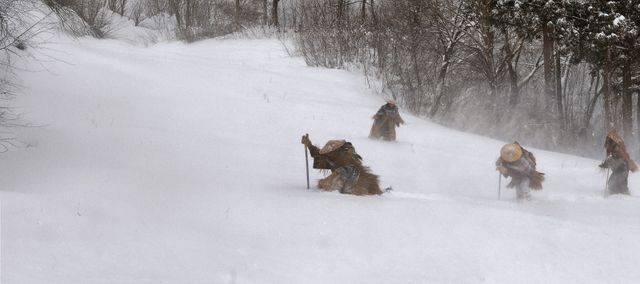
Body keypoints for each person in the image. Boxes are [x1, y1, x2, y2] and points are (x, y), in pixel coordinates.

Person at [301, 134, 382, 195]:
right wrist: (309, 145)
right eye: (328, 154)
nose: (328, 155)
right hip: (343, 178)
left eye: (330, 153)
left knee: (328, 184)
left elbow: (349, 170)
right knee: (324, 184)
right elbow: (320, 155)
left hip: (353, 179)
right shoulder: (332, 156)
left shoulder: (347, 156)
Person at [599, 128, 637, 195]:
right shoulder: (613, 146)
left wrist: (611, 160)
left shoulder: (618, 145)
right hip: (619, 168)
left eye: (609, 139)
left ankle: (625, 197)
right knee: (612, 182)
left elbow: (620, 157)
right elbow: (612, 158)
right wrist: (606, 163)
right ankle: (615, 196)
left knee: (621, 184)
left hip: (624, 167)